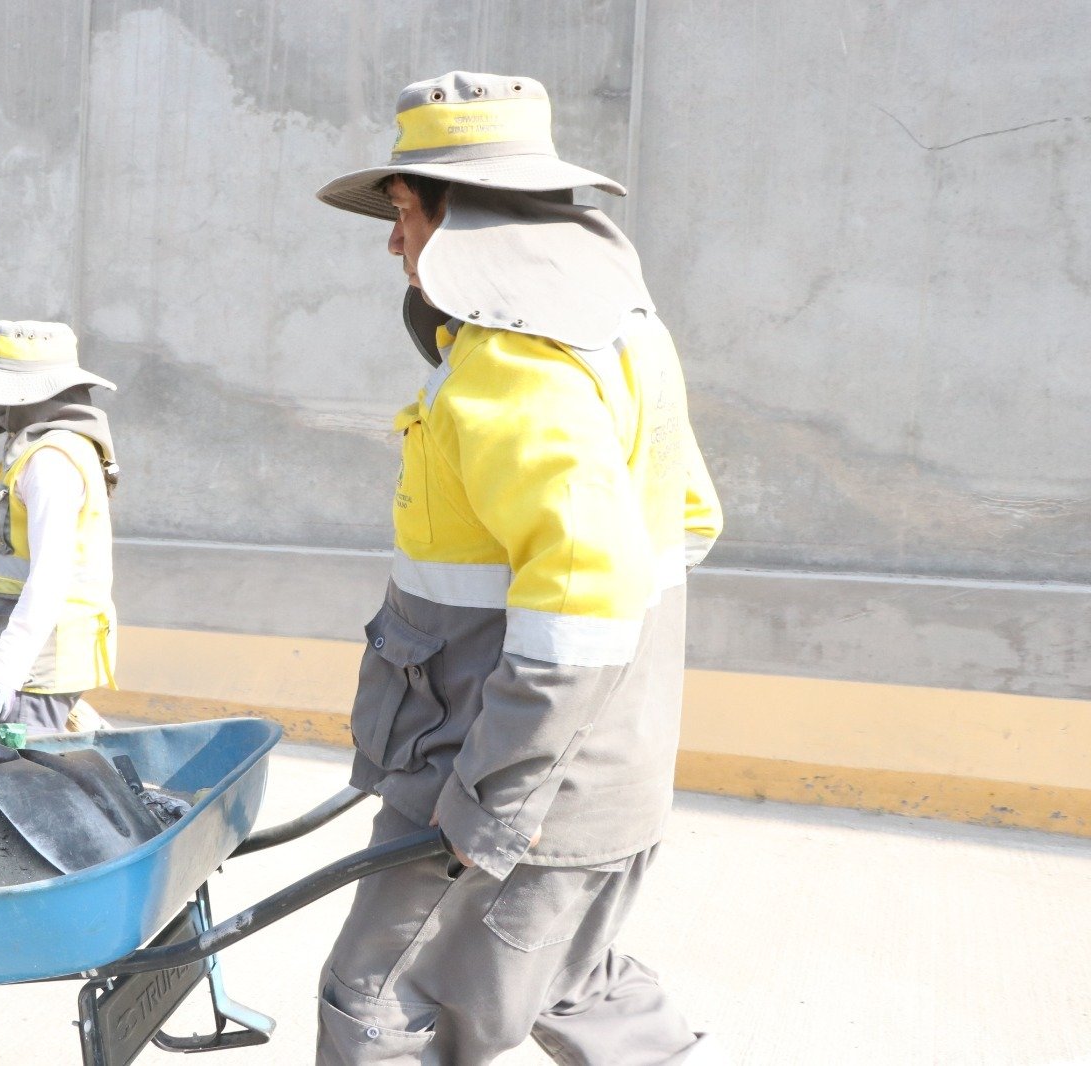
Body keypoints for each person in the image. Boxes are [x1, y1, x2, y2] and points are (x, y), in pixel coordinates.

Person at [310, 72, 726, 1064]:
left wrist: (491, 802)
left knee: (378, 1007)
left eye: (403, 211)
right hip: (605, 780)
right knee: (577, 983)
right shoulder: (626, 338)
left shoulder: (514, 364)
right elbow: (692, 522)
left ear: (463, 217)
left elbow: (579, 607)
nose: (392, 239)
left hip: (500, 788)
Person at [0, 320, 119, 735]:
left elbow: (50, 577)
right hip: (30, 652)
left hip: (35, 664)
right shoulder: (42, 449)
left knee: (26, 786)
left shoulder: (50, 461)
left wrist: (5, 669)